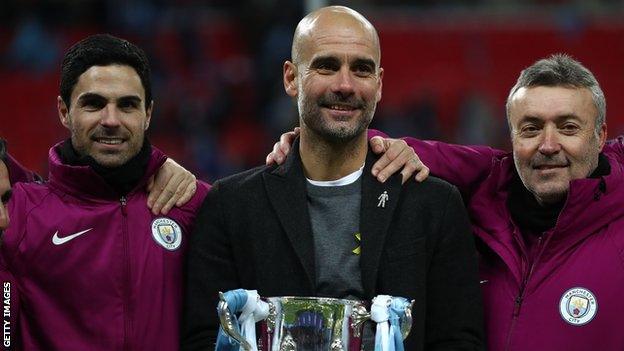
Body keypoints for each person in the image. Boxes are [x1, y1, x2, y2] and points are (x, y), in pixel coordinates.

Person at [271, 54, 624, 351]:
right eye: (530, 128)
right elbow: (411, 151)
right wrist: (313, 142)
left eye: (568, 127)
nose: (548, 145)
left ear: (600, 136)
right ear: (512, 136)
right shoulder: (487, 195)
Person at [182, 6, 484, 351]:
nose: (345, 85)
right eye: (327, 66)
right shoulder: (230, 206)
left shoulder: (434, 204)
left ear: (380, 84)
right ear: (291, 78)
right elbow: (205, 337)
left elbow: (459, 340)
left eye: (361, 69)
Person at [0, 34, 209, 350]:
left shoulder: (192, 204)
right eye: (94, 104)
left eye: (127, 105)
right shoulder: (18, 213)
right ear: (63, 111)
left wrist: (289, 143)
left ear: (148, 114)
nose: (111, 120)